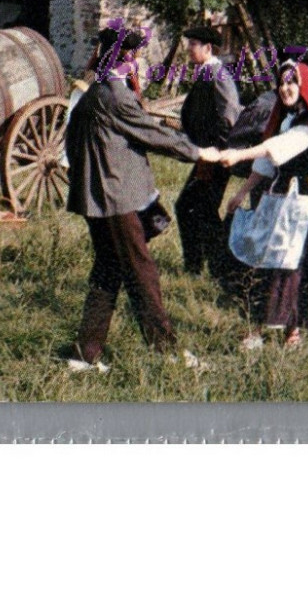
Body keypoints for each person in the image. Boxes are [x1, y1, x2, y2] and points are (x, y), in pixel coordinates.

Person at [64, 26, 217, 372]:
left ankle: (84, 355)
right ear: (126, 58)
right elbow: (152, 133)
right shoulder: (115, 96)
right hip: (117, 201)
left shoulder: (92, 94)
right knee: (142, 273)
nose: (135, 62)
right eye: (133, 56)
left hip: (99, 201)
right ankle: (167, 353)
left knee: (108, 271)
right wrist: (199, 152)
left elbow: (73, 143)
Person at [220, 60, 308, 349]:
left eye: (291, 83)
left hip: (302, 205)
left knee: (293, 266)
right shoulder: (284, 120)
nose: (285, 89)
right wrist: (241, 192)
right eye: (282, 83)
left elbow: (275, 150)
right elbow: (266, 165)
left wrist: (236, 155)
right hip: (278, 201)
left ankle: (291, 330)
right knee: (266, 261)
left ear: (304, 87)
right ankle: (259, 327)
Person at [173, 25, 240, 276]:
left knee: (197, 209)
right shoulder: (205, 73)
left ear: (207, 48)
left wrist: (216, 153)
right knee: (195, 209)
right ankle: (203, 267)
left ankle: (219, 267)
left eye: (193, 44)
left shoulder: (218, 75)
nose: (188, 49)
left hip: (216, 157)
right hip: (206, 155)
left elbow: (229, 115)